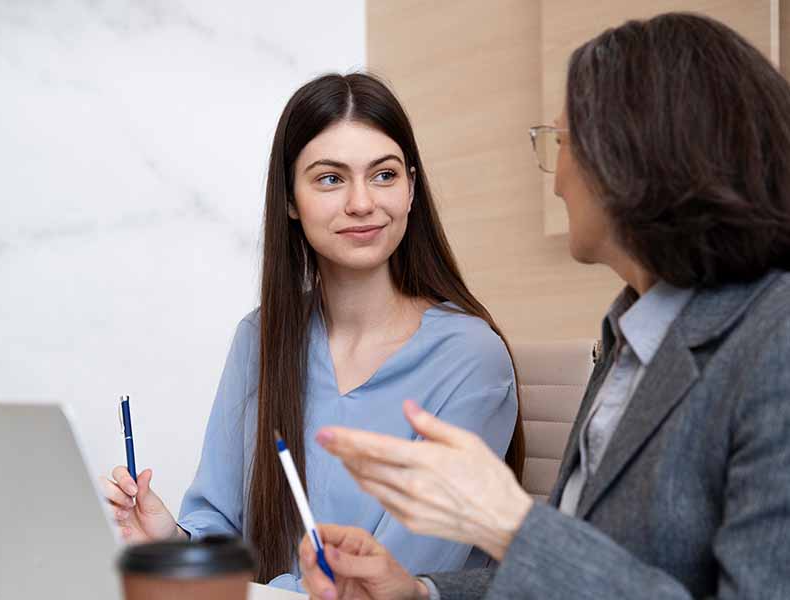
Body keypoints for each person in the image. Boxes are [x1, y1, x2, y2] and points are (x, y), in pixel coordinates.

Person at [299, 13, 790, 600]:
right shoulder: (627, 340)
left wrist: (513, 525)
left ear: (634, 159)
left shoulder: (774, 349)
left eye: (563, 144)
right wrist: (422, 593)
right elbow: (563, 576)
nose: (557, 182)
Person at [101, 72, 525, 591]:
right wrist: (174, 543)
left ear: (412, 189)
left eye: (384, 175)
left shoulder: (471, 357)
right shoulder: (260, 338)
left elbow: (382, 582)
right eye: (330, 179)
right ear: (289, 201)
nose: (362, 203)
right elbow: (221, 528)